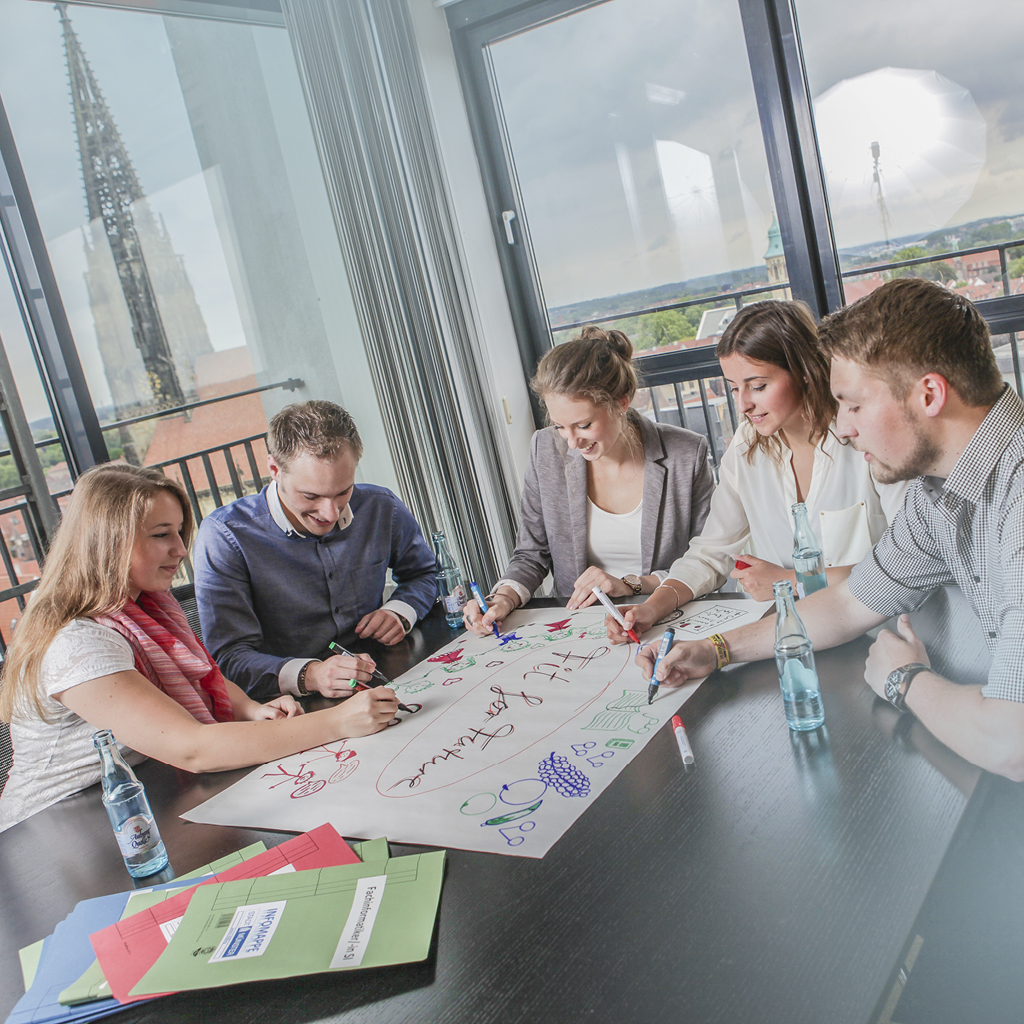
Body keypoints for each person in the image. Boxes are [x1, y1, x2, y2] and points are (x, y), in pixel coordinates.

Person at [638, 278, 1024, 780]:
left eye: (855, 404)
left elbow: (1011, 742)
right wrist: (716, 650)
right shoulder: (940, 492)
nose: (842, 428)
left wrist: (905, 679)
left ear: (929, 393)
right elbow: (848, 603)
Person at [0, 464, 398, 832]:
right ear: (109, 542)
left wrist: (251, 709)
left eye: (177, 532)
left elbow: (200, 671)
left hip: (141, 796)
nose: (180, 549)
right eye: (161, 535)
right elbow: (192, 750)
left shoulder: (145, 602)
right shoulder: (77, 640)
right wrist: (337, 723)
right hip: (51, 834)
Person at [606, 299, 907, 642]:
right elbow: (711, 552)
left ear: (804, 372)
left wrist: (792, 580)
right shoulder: (746, 446)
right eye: (734, 388)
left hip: (876, 636)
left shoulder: (865, 439)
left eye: (758, 386)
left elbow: (911, 559)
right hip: (781, 637)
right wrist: (651, 608)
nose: (743, 404)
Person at [464, 325, 714, 635]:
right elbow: (532, 553)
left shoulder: (685, 454)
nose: (571, 442)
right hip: (580, 630)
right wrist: (502, 598)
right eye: (560, 427)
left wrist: (630, 585)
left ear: (622, 402)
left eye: (583, 425)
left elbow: (707, 561)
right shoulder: (546, 449)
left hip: (666, 620)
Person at [193, 401, 436, 702]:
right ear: (274, 470)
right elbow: (229, 658)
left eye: (343, 492)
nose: (330, 513)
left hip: (386, 673)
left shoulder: (381, 506)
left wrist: (400, 611)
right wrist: (310, 675)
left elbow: (424, 574)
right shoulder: (225, 537)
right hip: (292, 705)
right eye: (311, 496)